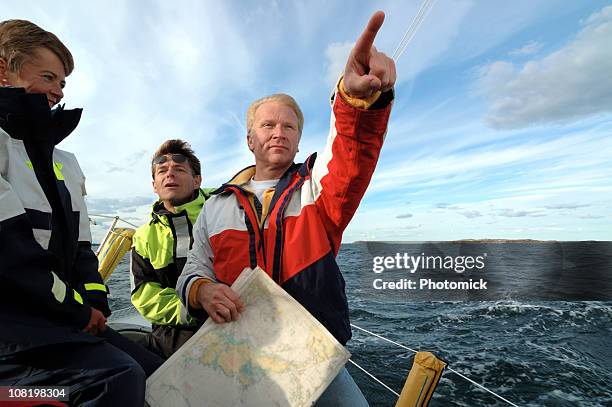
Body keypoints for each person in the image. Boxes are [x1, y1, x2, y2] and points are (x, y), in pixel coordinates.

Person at [177, 11, 395, 406]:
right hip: (236, 350)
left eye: (289, 127)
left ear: (298, 142)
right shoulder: (215, 206)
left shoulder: (317, 191)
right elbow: (194, 269)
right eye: (267, 125)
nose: (278, 132)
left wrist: (358, 103)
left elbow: (353, 154)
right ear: (249, 139)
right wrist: (202, 290)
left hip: (311, 354)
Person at [0, 19, 163, 405]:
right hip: (13, 335)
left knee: (158, 372)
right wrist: (78, 311)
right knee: (117, 377)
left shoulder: (66, 163)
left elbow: (83, 252)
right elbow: (12, 255)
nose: (58, 92)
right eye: (48, 77)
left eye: (62, 83)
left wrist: (97, 305)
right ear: (3, 70)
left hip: (57, 323)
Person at [131, 139, 215, 358]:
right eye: (162, 171)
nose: (169, 174)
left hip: (232, 323)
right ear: (154, 185)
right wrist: (193, 308)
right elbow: (143, 294)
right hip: (171, 338)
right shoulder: (142, 237)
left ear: (197, 181)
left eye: (179, 169)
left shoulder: (225, 209)